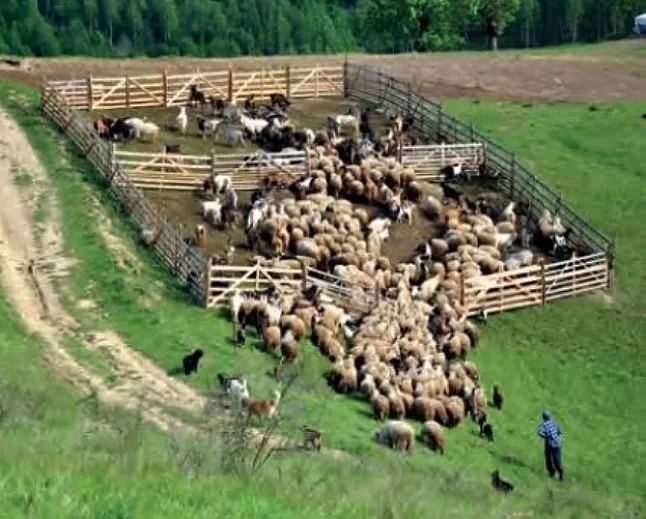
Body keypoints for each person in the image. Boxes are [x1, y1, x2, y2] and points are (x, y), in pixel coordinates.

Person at [537, 410, 564, 480]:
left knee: (548, 458)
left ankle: (552, 472)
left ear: (543, 417)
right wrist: (558, 438)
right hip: (557, 444)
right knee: (557, 459)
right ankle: (560, 472)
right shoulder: (555, 422)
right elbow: (559, 431)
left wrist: (546, 436)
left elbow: (540, 433)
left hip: (549, 444)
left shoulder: (544, 424)